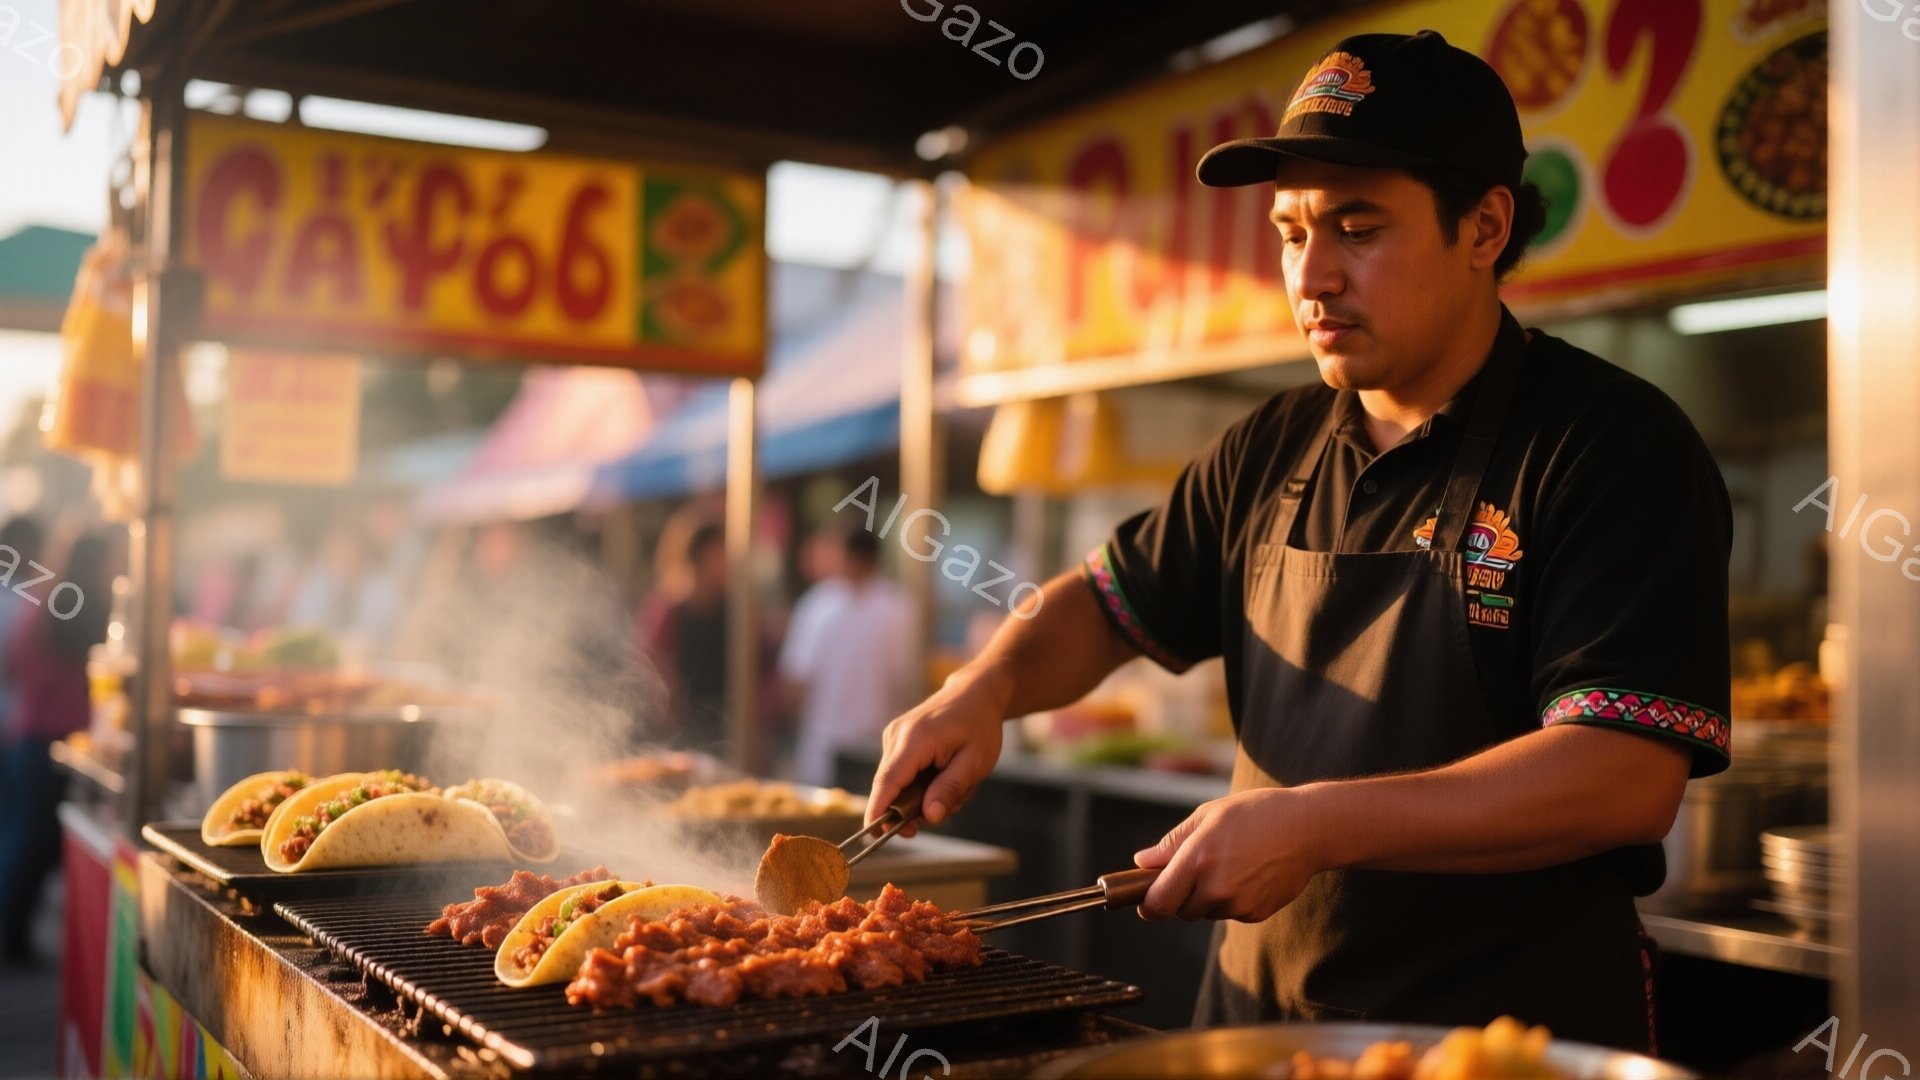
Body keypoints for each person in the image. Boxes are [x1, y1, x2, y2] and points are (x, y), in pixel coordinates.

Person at [867, 30, 1730, 1052]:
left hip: (1495, 1041)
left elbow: (1624, 778)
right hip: (1261, 1028)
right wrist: (988, 687)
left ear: (1485, 226)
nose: (1311, 275)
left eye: (1357, 227)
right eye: (1289, 233)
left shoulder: (1605, 443)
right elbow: (1107, 604)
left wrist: (1315, 824)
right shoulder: (1270, 447)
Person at [0, 529, 113, 964]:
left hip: (31, 733)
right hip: (44, 738)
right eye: (111, 562)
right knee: (30, 841)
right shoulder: (68, 606)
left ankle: (15, 936)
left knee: (27, 838)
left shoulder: (48, 600)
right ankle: (10, 938)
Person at [779, 530, 914, 787]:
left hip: (862, 743)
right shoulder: (898, 607)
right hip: (849, 742)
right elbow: (906, 681)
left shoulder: (819, 605)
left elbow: (795, 679)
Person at [637, 519, 732, 752]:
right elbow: (651, 670)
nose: (727, 562)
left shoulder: (734, 611)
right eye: (719, 553)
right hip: (678, 735)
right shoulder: (668, 612)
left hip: (726, 730)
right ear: (697, 556)